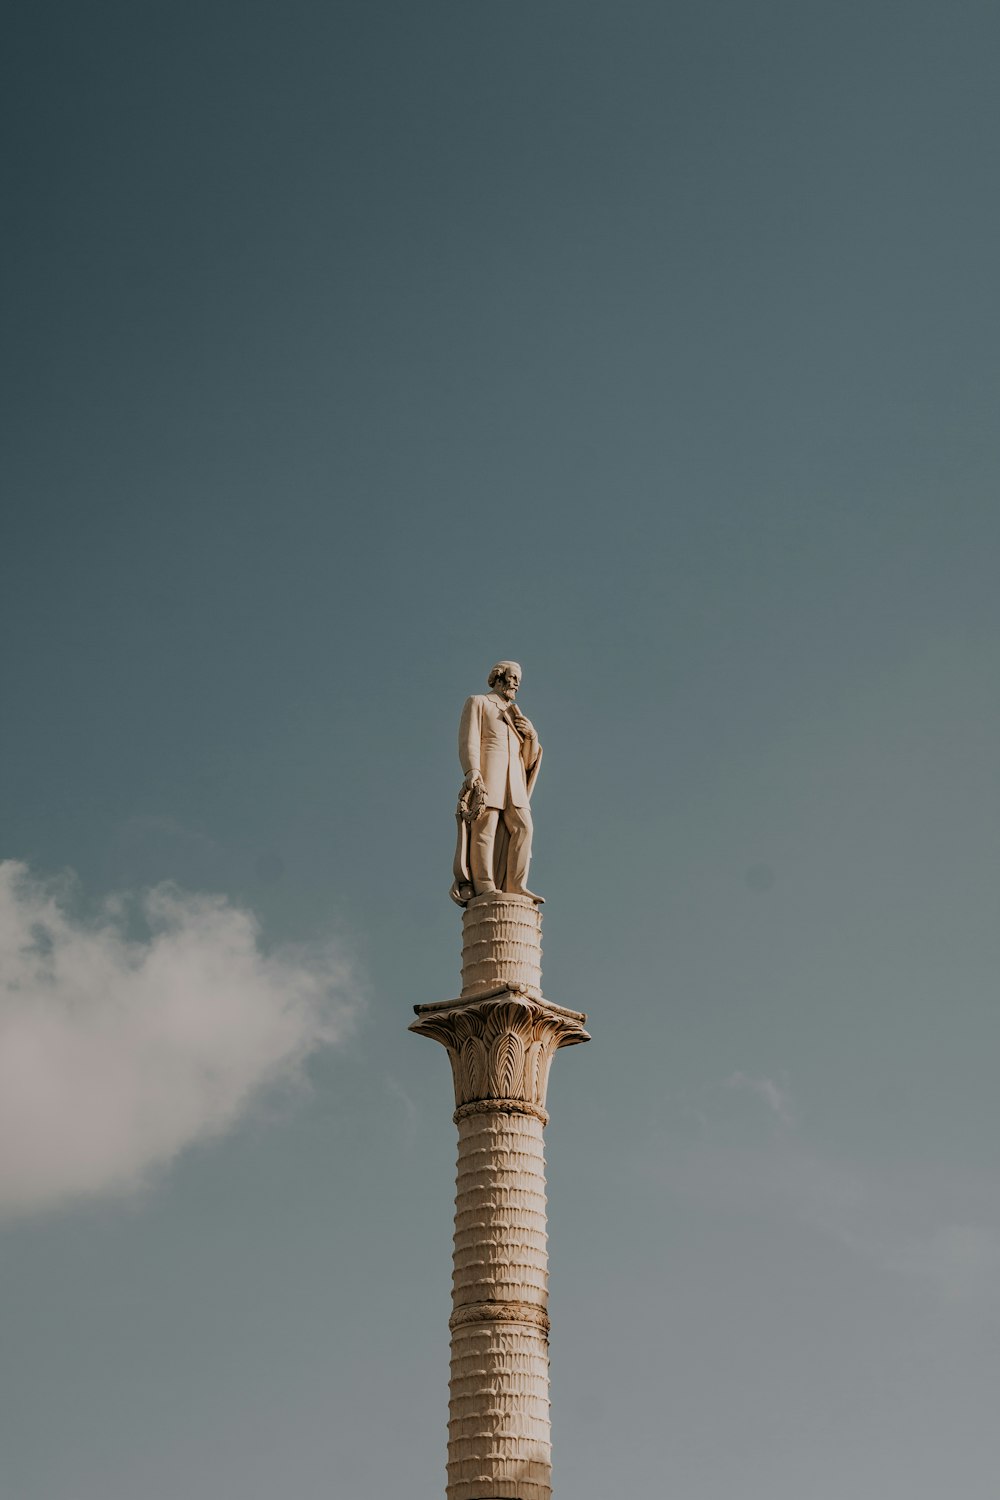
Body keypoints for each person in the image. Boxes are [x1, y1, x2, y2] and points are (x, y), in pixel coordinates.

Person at [450, 661, 543, 905]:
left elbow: (528, 759)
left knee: (524, 828)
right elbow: (468, 739)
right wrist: (472, 771)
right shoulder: (478, 702)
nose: (516, 685)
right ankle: (485, 884)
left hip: (515, 781)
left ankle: (517, 885)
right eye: (512, 678)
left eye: (518, 681)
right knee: (485, 828)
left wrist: (531, 736)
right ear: (498, 678)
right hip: (490, 774)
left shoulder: (517, 714)